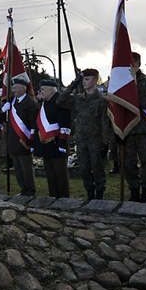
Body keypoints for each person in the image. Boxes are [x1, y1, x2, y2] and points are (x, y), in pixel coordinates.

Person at [58, 68, 110, 200]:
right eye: (83, 80)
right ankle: (89, 193)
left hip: (96, 141)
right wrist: (73, 85)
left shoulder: (101, 100)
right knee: (84, 169)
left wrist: (105, 142)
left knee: (98, 169)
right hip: (81, 140)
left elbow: (105, 122)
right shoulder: (79, 99)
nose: (84, 82)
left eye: (87, 79)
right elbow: (60, 101)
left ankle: (99, 195)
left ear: (95, 80)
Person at [122, 52, 146, 202]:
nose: (130, 66)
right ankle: (134, 191)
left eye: (133, 63)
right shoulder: (122, 84)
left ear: (138, 64)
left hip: (143, 128)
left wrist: (131, 100)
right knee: (129, 163)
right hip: (127, 128)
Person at [33, 79, 72, 198]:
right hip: (46, 145)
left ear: (51, 89)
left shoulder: (60, 102)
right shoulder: (45, 102)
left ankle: (64, 198)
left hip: (56, 144)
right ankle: (53, 196)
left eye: (43, 89)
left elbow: (65, 125)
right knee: (50, 174)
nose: (41, 92)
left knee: (60, 175)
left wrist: (62, 144)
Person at [3, 75, 38, 197]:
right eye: (13, 87)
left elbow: (34, 124)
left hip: (24, 141)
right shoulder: (12, 102)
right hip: (13, 140)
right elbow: (7, 121)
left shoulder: (30, 103)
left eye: (16, 87)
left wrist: (32, 142)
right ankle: (23, 189)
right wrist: (4, 111)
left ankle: (30, 191)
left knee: (26, 169)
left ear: (24, 88)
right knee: (17, 169)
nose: (13, 90)